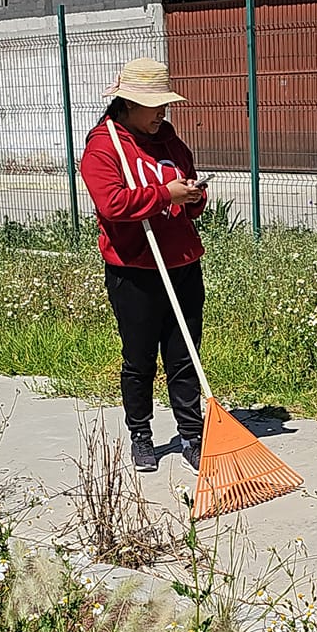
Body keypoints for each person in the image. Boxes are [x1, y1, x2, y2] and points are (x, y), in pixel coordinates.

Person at [79, 57, 208, 473]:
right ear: (129, 104)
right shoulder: (103, 147)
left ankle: (192, 433)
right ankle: (141, 434)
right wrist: (164, 195)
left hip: (183, 264)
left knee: (185, 354)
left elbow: (190, 197)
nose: (163, 113)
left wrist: (191, 195)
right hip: (134, 269)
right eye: (155, 106)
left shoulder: (170, 141)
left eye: (165, 105)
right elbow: (113, 204)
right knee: (139, 359)